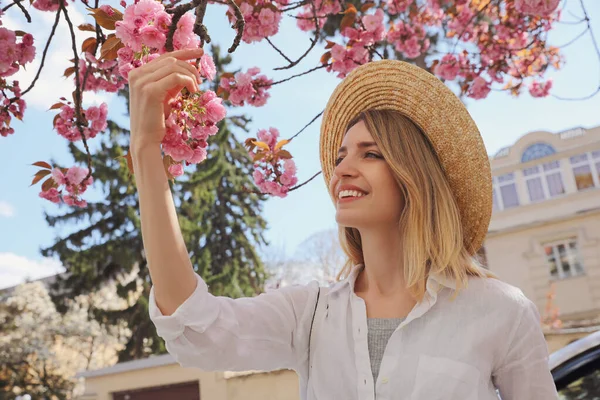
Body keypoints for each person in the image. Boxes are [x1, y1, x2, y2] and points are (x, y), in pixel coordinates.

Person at [129, 48, 558, 399]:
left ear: (415, 176)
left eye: (370, 154)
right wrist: (147, 149)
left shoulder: (502, 311)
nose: (341, 171)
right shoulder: (310, 314)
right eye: (340, 157)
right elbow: (193, 328)